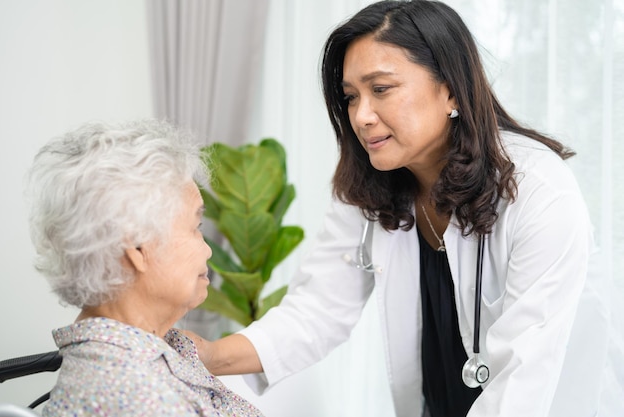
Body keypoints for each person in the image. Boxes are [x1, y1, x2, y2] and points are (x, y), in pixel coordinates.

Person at [189, 1, 610, 416]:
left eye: (382, 89)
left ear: (450, 89)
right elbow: (316, 311)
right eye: (351, 97)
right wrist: (204, 355)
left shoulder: (538, 190)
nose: (361, 116)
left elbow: (522, 377)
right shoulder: (372, 186)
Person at [26, 119, 265, 417]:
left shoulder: (141, 356)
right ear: (138, 248)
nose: (207, 249)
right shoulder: (139, 399)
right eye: (196, 227)